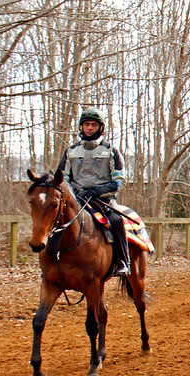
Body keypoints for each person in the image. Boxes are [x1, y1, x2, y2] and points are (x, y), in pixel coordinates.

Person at [56, 107, 130, 276]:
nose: (89, 128)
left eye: (93, 125)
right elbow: (63, 178)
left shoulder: (112, 151)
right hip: (77, 198)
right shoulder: (71, 151)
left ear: (100, 128)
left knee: (116, 220)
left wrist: (99, 191)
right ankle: (51, 261)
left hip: (103, 200)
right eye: (86, 124)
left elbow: (120, 180)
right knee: (56, 220)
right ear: (81, 127)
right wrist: (73, 192)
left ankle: (123, 261)